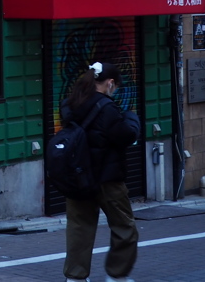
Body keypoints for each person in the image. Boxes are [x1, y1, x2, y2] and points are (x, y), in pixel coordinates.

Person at [61, 61, 141, 282]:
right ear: (110, 83)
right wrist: (132, 119)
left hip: (77, 177)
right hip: (107, 178)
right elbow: (124, 135)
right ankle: (117, 275)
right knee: (124, 226)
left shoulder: (71, 104)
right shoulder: (107, 108)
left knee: (79, 227)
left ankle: (76, 277)